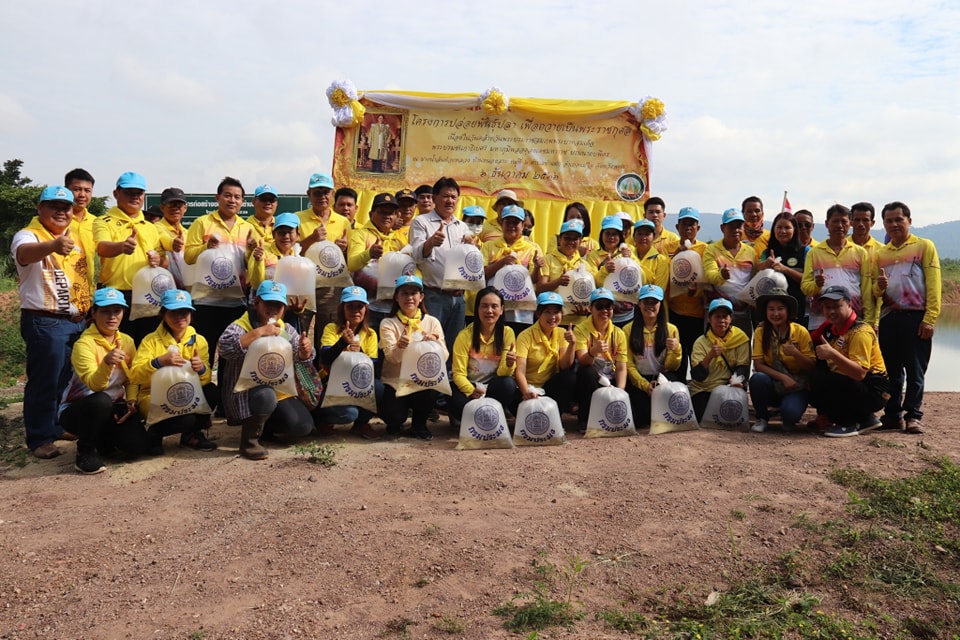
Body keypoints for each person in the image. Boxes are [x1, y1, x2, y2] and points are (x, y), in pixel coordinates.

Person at [15, 185, 92, 459]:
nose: (61, 212)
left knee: (63, 379)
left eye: (66, 208)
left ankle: (55, 426)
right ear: (40, 208)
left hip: (74, 321)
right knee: (44, 381)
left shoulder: (74, 238)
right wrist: (53, 245)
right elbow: (24, 255)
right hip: (45, 321)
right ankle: (39, 438)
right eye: (53, 206)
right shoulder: (28, 234)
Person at [218, 281, 318, 459]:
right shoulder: (240, 326)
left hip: (278, 392)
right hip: (246, 394)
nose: (273, 308)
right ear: (256, 303)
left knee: (302, 426)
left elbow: (302, 354)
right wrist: (259, 332)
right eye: (268, 303)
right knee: (265, 395)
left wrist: (305, 350)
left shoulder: (284, 329)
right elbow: (225, 348)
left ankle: (264, 427)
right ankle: (249, 441)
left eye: (278, 305)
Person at [58, 288, 150, 473]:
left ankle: (103, 441)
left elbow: (130, 378)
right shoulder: (83, 344)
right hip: (79, 409)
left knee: (137, 447)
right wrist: (106, 363)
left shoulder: (127, 341)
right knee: (101, 401)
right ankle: (85, 453)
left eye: (117, 311)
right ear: (94, 313)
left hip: (114, 407)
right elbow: (95, 385)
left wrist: (131, 401)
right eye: (105, 311)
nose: (112, 317)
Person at [873, 201, 941, 435]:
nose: (894, 224)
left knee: (915, 371)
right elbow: (875, 292)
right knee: (891, 371)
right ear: (883, 224)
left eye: (898, 219)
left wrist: (930, 318)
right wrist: (878, 286)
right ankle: (893, 415)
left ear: (909, 221)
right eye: (889, 221)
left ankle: (913, 415)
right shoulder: (880, 254)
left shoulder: (924, 246)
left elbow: (934, 285)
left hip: (916, 317)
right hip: (889, 317)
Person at [130, 289, 219, 453]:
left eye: (184, 312)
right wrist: (158, 362)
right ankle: (155, 433)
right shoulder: (150, 341)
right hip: (153, 395)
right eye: (173, 312)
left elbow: (205, 380)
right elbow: (135, 375)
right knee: (186, 419)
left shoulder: (199, 341)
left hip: (187, 393)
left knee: (212, 391)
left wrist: (201, 369)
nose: (180, 316)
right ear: (163, 315)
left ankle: (191, 435)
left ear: (191, 314)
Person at [184, 176, 254, 370]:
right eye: (228, 195)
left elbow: (250, 265)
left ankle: (225, 400)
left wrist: (254, 252)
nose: (232, 200)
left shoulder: (248, 228)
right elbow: (188, 257)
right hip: (205, 302)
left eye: (237, 197)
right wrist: (205, 247)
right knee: (203, 353)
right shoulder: (202, 222)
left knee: (231, 358)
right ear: (218, 197)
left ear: (242, 201)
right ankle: (204, 397)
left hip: (235, 302)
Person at [809, 286, 889, 437]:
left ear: (849, 305)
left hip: (873, 389)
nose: (831, 311)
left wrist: (832, 354)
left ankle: (847, 423)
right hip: (852, 384)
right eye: (827, 307)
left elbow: (859, 374)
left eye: (837, 306)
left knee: (819, 380)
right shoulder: (830, 326)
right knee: (814, 371)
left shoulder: (860, 332)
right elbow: (807, 340)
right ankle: (866, 419)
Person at [94, 171, 164, 344]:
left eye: (138, 193)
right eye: (129, 192)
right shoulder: (103, 221)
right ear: (116, 194)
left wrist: (159, 261)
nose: (135, 197)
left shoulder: (151, 227)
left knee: (146, 346)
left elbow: (164, 260)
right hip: (116, 296)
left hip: (149, 296)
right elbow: (101, 247)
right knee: (118, 348)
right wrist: (121, 246)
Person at [409, 177, 475, 358]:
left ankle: (449, 383)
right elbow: (414, 254)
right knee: (431, 344)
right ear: (435, 197)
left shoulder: (461, 226)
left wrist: (472, 246)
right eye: (445, 196)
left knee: (453, 347)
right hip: (434, 295)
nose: (450, 201)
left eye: (454, 197)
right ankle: (430, 385)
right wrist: (430, 242)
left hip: (459, 298)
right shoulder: (421, 222)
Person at [379, 275, 448, 440]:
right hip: (396, 381)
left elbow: (445, 356)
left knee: (430, 390)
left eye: (414, 293)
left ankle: (419, 425)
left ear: (421, 297)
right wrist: (400, 347)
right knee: (394, 416)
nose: (409, 297)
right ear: (396, 297)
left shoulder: (432, 322)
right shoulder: (388, 323)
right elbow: (392, 358)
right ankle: (395, 422)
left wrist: (435, 346)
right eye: (404, 293)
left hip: (422, 381)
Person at [318, 286, 384, 439]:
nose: (355, 310)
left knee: (378, 387)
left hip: (357, 381)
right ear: (342, 309)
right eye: (350, 306)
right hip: (331, 381)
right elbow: (326, 359)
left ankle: (361, 424)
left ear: (366, 309)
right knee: (348, 414)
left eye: (359, 306)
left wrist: (360, 353)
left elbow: (373, 366)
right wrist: (342, 343)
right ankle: (322, 420)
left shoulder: (370, 334)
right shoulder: (332, 328)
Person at [748, 288, 816, 432]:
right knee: (757, 379)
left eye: (780, 309)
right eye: (771, 309)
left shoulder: (800, 332)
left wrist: (796, 353)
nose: (776, 314)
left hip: (797, 386)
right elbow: (759, 365)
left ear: (788, 311)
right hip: (773, 383)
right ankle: (762, 417)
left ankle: (787, 412)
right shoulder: (761, 331)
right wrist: (783, 377)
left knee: (790, 416)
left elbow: (811, 366)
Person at [448, 287, 518, 424]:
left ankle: (493, 413)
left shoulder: (507, 333)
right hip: (470, 387)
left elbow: (503, 373)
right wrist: (471, 391)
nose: (489, 311)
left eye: (494, 306)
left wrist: (510, 364)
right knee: (450, 393)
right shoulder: (464, 336)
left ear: (502, 309)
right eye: (484, 306)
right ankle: (471, 416)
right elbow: (458, 374)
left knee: (508, 384)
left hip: (492, 387)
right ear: (477, 309)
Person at [800, 204, 872, 331]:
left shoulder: (860, 253)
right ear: (827, 224)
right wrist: (816, 284)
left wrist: (869, 320)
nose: (839, 225)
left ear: (850, 224)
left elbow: (866, 290)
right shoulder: (814, 253)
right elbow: (805, 288)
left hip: (852, 319)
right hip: (820, 321)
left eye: (844, 222)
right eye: (835, 221)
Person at [297, 172, 352, 329]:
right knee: (301, 330)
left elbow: (350, 258)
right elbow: (290, 253)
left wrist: (344, 250)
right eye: (317, 193)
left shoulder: (343, 222)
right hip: (303, 284)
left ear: (333, 194)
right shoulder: (297, 219)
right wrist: (311, 239)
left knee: (327, 332)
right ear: (309, 194)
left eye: (326, 192)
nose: (322, 197)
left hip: (331, 287)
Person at [481, 204, 545, 333]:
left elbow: (533, 280)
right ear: (502, 224)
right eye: (507, 222)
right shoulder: (489, 246)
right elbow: (482, 275)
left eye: (515, 222)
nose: (511, 226)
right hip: (494, 309)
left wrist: (537, 267)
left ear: (522, 226)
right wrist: (502, 262)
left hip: (521, 311)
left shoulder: (531, 249)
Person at [624, 284, 681, 428]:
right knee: (642, 419)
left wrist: (676, 350)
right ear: (639, 304)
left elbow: (671, 366)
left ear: (661, 304)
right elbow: (628, 364)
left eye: (654, 302)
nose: (650, 306)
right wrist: (645, 385)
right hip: (639, 380)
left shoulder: (671, 329)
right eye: (646, 302)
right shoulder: (627, 330)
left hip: (661, 379)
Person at [512, 292, 577, 416]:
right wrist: (527, 392)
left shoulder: (562, 333)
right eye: (547, 312)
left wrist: (572, 344)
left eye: (556, 312)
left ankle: (557, 417)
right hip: (526, 388)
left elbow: (565, 366)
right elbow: (519, 370)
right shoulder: (525, 336)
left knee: (569, 377)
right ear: (538, 314)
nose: (552, 317)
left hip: (548, 387)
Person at [573, 287, 629, 431]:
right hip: (592, 379)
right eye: (599, 306)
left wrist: (619, 392)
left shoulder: (619, 333)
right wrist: (593, 351)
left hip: (611, 378)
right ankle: (585, 419)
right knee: (587, 372)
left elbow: (622, 367)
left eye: (608, 306)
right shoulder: (580, 330)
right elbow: (583, 361)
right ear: (591, 308)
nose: (604, 310)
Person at [689, 299, 751, 422]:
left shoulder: (741, 338)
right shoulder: (700, 342)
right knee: (704, 417)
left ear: (731, 318)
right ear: (709, 318)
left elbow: (742, 367)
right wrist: (710, 356)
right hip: (704, 389)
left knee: (730, 418)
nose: (721, 321)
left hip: (727, 387)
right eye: (717, 316)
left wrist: (736, 381)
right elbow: (697, 376)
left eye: (725, 316)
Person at [703, 208, 757, 338]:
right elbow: (710, 275)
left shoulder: (751, 252)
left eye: (739, 226)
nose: (736, 230)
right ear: (722, 228)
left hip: (742, 312)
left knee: (742, 347)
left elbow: (753, 279)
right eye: (731, 227)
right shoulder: (711, 250)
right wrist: (721, 276)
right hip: (718, 312)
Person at [669, 207, 708, 380]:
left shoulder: (705, 249)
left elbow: (708, 278)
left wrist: (697, 291)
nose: (688, 228)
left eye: (692, 224)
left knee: (695, 354)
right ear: (677, 226)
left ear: (698, 228)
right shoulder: (669, 247)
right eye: (684, 224)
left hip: (697, 313)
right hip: (674, 311)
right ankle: (678, 389)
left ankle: (697, 390)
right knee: (677, 354)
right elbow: (663, 272)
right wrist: (675, 256)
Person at [347, 193, 403, 312]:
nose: (387, 216)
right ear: (371, 214)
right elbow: (352, 264)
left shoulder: (399, 238)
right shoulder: (360, 235)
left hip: (394, 307)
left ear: (396, 216)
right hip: (367, 306)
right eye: (382, 212)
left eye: (390, 213)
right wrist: (369, 254)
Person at [585, 216, 636, 327]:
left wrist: (630, 260)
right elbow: (594, 283)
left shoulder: (630, 251)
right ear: (601, 234)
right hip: (603, 314)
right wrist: (605, 271)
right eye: (607, 233)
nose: (611, 237)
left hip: (627, 314)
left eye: (615, 234)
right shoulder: (593, 256)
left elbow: (640, 278)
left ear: (620, 236)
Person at [760, 212, 809, 326]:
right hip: (771, 312)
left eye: (787, 227)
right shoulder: (767, 252)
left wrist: (785, 269)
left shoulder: (805, 251)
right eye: (779, 227)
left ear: (795, 230)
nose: (783, 231)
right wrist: (765, 264)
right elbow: (756, 272)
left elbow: (808, 280)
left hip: (796, 309)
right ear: (773, 229)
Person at [539, 220, 589, 326]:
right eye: (567, 238)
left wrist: (587, 308)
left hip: (579, 322)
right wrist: (558, 282)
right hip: (553, 321)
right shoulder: (548, 259)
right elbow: (540, 288)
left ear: (580, 241)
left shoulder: (584, 264)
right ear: (559, 239)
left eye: (575, 238)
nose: (571, 242)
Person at [64, 168, 98, 290]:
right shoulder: (57, 220)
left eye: (87, 190)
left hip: (86, 291)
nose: (82, 195)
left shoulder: (96, 222)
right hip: (61, 291)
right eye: (77, 189)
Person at [850, 202, 881, 327]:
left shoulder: (882, 251)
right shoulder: (841, 247)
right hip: (846, 312)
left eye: (865, 220)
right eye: (857, 220)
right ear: (851, 222)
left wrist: (876, 321)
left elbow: (882, 292)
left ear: (872, 223)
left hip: (873, 315)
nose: (861, 224)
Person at [155, 187, 190, 288]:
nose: (175, 208)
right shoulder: (156, 228)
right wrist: (172, 243)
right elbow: (164, 238)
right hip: (162, 286)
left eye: (179, 205)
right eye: (171, 204)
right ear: (162, 207)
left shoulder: (187, 233)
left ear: (185, 208)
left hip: (186, 289)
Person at [632, 219, 670, 291]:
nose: (643, 238)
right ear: (634, 237)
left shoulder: (661, 260)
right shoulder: (626, 257)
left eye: (647, 234)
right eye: (639, 234)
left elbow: (659, 290)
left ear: (654, 237)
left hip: (651, 301)